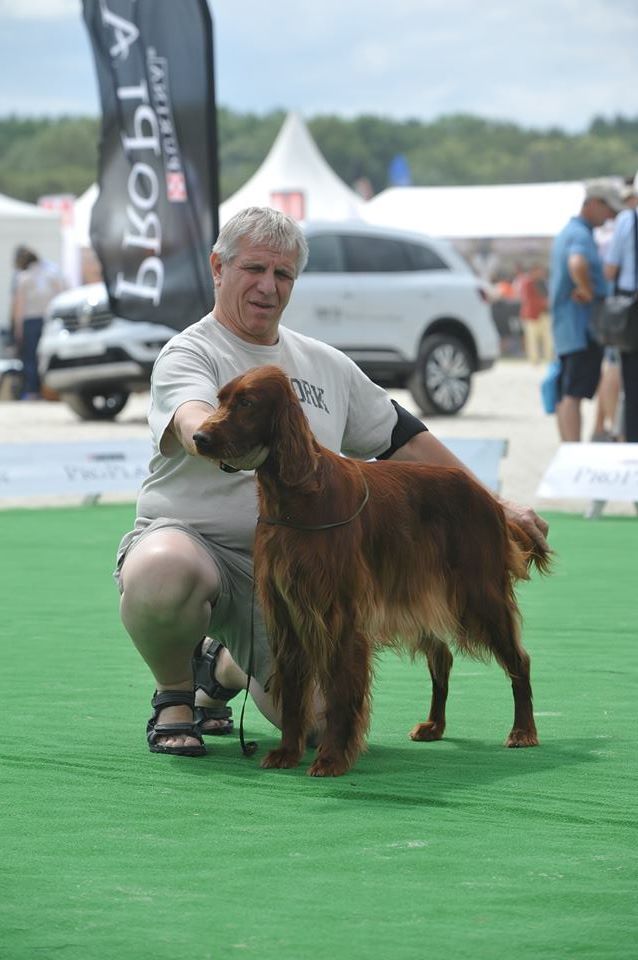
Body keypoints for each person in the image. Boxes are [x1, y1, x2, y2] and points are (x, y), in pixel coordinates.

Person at [115, 206, 550, 757]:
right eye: (253, 269)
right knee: (161, 570)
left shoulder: (324, 364)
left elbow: (406, 439)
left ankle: (221, 666)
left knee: (321, 723)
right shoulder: (191, 351)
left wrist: (496, 505)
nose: (267, 286)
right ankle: (174, 697)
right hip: (200, 549)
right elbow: (193, 417)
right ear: (218, 268)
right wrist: (225, 439)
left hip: (294, 573)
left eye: (283, 275)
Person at [549, 179, 624, 441]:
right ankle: (572, 450)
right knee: (574, 393)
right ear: (593, 204)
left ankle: (568, 448)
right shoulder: (580, 235)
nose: (610, 217)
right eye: (608, 210)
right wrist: (588, 290)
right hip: (581, 328)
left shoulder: (569, 231)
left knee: (565, 392)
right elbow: (577, 262)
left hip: (568, 328)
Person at [603, 174, 638, 442]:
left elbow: (611, 268)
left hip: (632, 304)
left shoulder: (628, 219)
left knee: (632, 378)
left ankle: (630, 437)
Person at [12, 246, 64, 400]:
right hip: (48, 319)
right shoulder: (51, 273)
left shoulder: (24, 277)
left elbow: (20, 305)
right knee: (47, 356)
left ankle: (32, 390)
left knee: (30, 357)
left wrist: (18, 327)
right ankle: (51, 389)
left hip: (30, 321)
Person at [517, 264, 552, 365]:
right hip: (532, 314)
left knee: (548, 337)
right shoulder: (527, 283)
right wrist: (544, 302)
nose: (541, 273)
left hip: (544, 313)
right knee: (532, 339)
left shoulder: (543, 282)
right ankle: (534, 359)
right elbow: (529, 299)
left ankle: (548, 357)